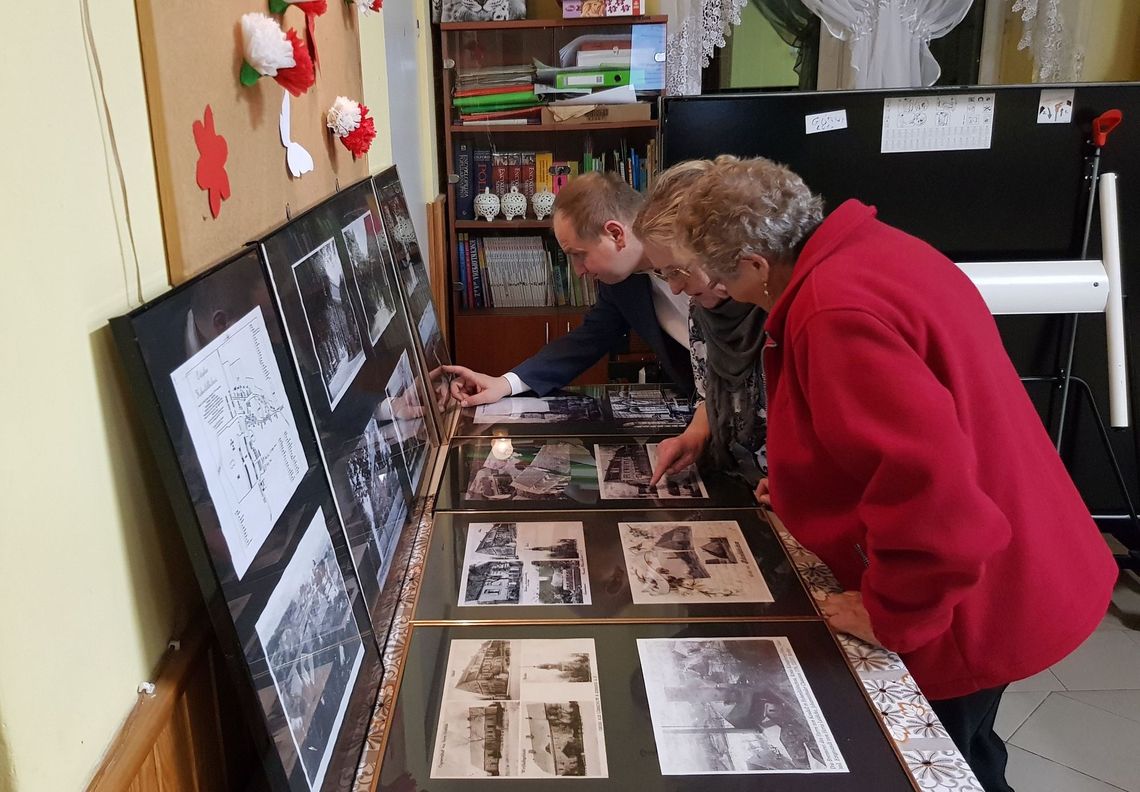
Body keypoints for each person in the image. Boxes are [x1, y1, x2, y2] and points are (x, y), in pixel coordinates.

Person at [674, 155, 1117, 792]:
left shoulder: (833, 310)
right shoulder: (875, 251)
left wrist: (893, 616)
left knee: (931, 763)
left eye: (710, 279)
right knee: (973, 749)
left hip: (971, 596)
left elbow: (933, 497)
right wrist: (808, 487)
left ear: (754, 265)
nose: (702, 292)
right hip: (1026, 546)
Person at [444, 172, 694, 406]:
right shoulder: (619, 283)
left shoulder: (701, 254)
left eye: (579, 254)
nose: (578, 272)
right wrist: (504, 384)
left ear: (616, 233)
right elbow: (584, 342)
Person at [630, 160, 768, 488]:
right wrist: (693, 436)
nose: (675, 288)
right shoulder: (701, 310)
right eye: (664, 274)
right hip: (757, 482)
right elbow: (711, 393)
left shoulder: (783, 309)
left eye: (678, 270)